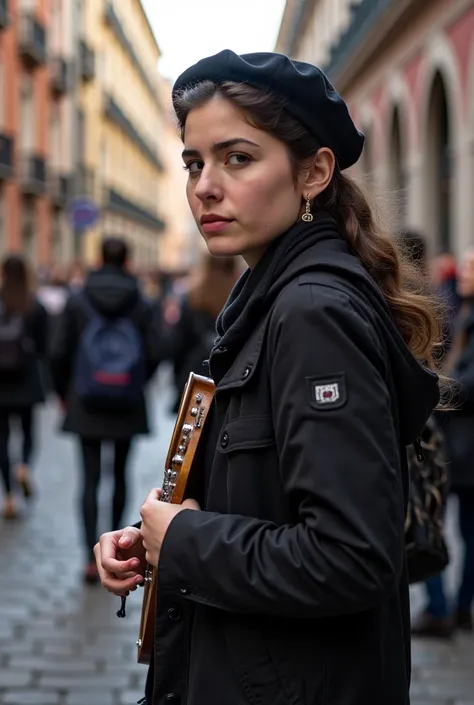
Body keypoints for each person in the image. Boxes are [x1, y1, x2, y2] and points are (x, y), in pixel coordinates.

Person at [94, 51, 443, 705]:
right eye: (194, 163)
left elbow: (352, 554)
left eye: (237, 158)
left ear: (313, 172)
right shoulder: (264, 298)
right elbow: (269, 498)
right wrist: (155, 538)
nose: (204, 186)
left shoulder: (312, 312)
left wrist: (187, 541)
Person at [51, 237, 162, 583]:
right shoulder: (142, 300)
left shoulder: (78, 299)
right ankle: (119, 548)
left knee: (89, 478)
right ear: (128, 260)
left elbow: (57, 351)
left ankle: (89, 557)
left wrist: (64, 392)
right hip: (126, 401)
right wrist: (138, 380)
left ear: (99, 258)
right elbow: (158, 348)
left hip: (86, 398)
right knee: (121, 475)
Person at [412, 249, 474, 637]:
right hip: (456, 447)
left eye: (472, 267)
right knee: (434, 523)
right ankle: (447, 607)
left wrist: (431, 387)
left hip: (465, 450)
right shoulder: (461, 314)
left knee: (446, 526)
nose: (463, 271)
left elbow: (467, 387)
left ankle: (452, 607)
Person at [0, 255, 48, 518]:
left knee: (2, 439)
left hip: (1, 383)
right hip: (27, 380)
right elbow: (44, 348)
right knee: (29, 432)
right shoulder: (34, 305)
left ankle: (8, 495)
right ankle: (24, 467)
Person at [169, 253, 242, 412]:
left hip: (197, 377)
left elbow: (179, 343)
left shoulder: (193, 296)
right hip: (232, 378)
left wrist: (178, 379)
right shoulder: (242, 297)